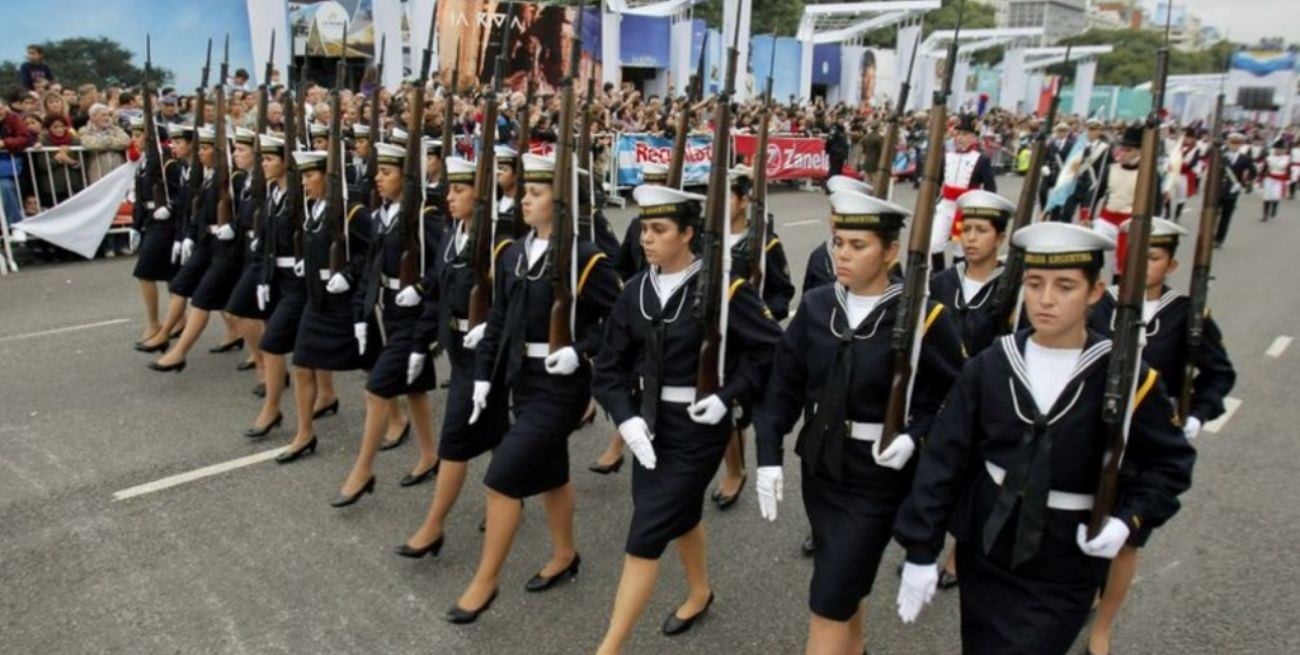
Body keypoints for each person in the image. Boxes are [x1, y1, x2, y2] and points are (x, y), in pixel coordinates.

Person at [893, 222, 1196, 655]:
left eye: (1065, 286)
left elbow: (1171, 464)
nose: (1046, 299)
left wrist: (1128, 519)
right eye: (1035, 284)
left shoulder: (1125, 376)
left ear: (1096, 292)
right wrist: (921, 548)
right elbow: (944, 458)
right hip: (988, 545)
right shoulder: (991, 365)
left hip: (1066, 557)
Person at [754, 189, 962, 655]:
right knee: (840, 576)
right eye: (838, 242)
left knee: (827, 602)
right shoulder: (818, 306)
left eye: (857, 245)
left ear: (890, 251)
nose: (842, 254)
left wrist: (915, 435)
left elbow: (955, 399)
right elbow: (782, 387)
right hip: (820, 467)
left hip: (877, 479)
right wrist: (768, 455)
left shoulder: (923, 318)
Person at [591, 183, 782, 653]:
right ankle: (700, 591)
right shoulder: (636, 289)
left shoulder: (724, 289)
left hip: (698, 432)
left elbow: (770, 350)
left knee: (645, 534)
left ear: (689, 233)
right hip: (648, 428)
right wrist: (625, 419)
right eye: (643, 228)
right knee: (679, 514)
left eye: (659, 229)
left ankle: (609, 647)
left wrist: (728, 395)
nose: (645, 238)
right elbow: (609, 365)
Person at [446, 153, 619, 624]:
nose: (524, 199)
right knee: (552, 472)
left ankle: (485, 582)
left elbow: (619, 322)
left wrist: (582, 348)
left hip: (562, 388)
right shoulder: (515, 252)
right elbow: (500, 317)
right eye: (525, 192)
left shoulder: (586, 258)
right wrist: (484, 374)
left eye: (536, 193)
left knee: (501, 480)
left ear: (561, 205)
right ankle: (565, 554)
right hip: (523, 381)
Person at [1083, 217, 1236, 655]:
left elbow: (1218, 372)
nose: (1141, 265)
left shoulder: (1186, 313)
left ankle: (1103, 625)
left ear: (1171, 264)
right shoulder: (1101, 303)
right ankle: (1086, 593)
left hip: (1146, 443)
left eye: (1153, 258)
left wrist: (1197, 415)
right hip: (1092, 432)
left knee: (1127, 535)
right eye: (1136, 255)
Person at [398, 155, 512, 559]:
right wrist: (419, 343)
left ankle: (432, 527)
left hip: (490, 354)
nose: (449, 197)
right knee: (498, 428)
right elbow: (441, 296)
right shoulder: (453, 235)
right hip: (460, 352)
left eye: (459, 190)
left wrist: (493, 324)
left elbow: (516, 303)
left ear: (480, 197)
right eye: (450, 189)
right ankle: (505, 494)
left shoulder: (502, 243)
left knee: (454, 441)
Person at [333, 141, 442, 506]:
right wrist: (362, 313)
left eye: (386, 172)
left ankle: (363, 470)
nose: (377, 178)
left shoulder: (424, 215)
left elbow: (446, 264)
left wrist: (422, 287)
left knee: (376, 390)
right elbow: (372, 264)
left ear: (405, 178)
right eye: (377, 171)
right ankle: (429, 454)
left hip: (417, 316)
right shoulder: (385, 214)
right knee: (414, 389)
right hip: (391, 311)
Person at [276, 147, 376, 466]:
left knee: (372, 367)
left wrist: (348, 273)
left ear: (328, 178)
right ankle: (304, 434)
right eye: (303, 176)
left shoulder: (351, 213)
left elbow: (372, 252)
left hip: (346, 304)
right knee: (302, 364)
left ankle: (398, 419)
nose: (304, 182)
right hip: (318, 301)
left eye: (310, 176)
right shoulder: (314, 209)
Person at [712, 164, 795, 509]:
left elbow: (782, 292)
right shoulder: (708, 239)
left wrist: (762, 313)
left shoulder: (765, 243)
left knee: (735, 406)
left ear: (744, 200)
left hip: (747, 337)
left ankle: (735, 470)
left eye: (726, 196)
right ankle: (732, 464)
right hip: (714, 335)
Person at [147, 127, 246, 372]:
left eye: (205, 148)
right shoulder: (209, 175)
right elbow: (198, 211)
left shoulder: (235, 178)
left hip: (227, 246)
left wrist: (233, 226)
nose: (199, 153)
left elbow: (250, 211)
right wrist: (189, 236)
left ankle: (178, 351)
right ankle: (164, 333)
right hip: (206, 241)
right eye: (199, 148)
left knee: (204, 300)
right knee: (180, 285)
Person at [929, 190, 1017, 357]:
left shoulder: (1011, 288)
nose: (971, 238)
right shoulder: (941, 283)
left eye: (981, 230)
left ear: (1000, 238)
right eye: (966, 229)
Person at [129, 117, 183, 345]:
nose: (134, 139)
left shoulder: (166, 163)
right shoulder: (144, 162)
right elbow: (140, 199)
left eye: (139, 134)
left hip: (166, 222)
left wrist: (169, 207)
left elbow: (182, 193)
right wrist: (135, 226)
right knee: (170, 273)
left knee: (145, 272)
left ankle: (154, 322)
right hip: (151, 220)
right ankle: (179, 320)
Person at [933, 114, 996, 271]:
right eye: (959, 134)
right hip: (946, 206)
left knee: (960, 248)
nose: (961, 138)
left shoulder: (981, 160)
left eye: (966, 134)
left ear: (974, 138)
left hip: (967, 209)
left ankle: (956, 278)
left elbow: (991, 189)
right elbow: (937, 182)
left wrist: (984, 212)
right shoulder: (946, 157)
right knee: (934, 244)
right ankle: (939, 275)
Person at [1089, 125, 1146, 277]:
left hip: (1128, 223)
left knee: (1123, 264)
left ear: (1139, 152)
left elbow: (1156, 204)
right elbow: (1097, 194)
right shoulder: (1110, 169)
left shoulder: (1147, 174)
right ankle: (1093, 279)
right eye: (1122, 149)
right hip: (1107, 219)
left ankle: (1118, 289)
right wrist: (1088, 216)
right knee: (1091, 252)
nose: (1123, 154)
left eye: (1128, 151)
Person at [1216, 132, 1256, 247]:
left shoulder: (1245, 159)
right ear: (1227, 142)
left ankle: (1219, 239)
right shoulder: (1220, 155)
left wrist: (1246, 181)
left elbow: (1253, 172)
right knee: (1212, 214)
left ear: (1241, 145)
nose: (1234, 145)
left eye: (1237, 143)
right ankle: (1208, 235)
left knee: (1225, 217)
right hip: (1217, 189)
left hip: (1232, 190)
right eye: (1232, 142)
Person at [1259, 138, 1289, 222]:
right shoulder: (1269, 158)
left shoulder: (1287, 158)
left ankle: (1274, 207)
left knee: (1275, 196)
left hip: (1280, 179)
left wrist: (1288, 181)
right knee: (1266, 197)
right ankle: (1265, 215)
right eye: (1277, 149)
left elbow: (1288, 170)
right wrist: (1261, 179)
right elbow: (1264, 169)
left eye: (1281, 149)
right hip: (1269, 178)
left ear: (1284, 150)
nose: (1279, 151)